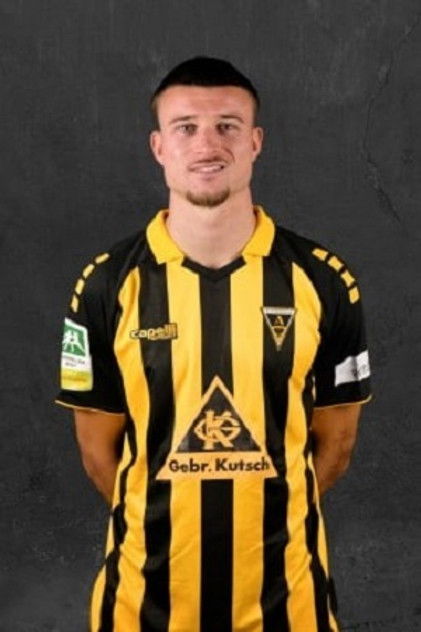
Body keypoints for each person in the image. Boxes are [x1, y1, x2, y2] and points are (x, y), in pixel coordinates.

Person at [56, 56, 371, 632]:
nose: (207, 144)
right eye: (186, 127)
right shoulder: (105, 284)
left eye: (228, 125)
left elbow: (337, 443)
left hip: (288, 606)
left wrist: (263, 510)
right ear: (159, 147)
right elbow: (99, 454)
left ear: (255, 142)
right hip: (142, 607)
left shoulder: (323, 280)